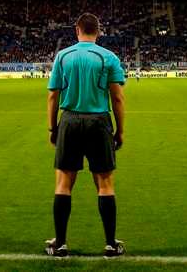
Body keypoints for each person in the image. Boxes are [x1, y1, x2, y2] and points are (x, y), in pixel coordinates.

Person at [45, 13, 126, 258]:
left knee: (63, 183)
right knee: (105, 184)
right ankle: (111, 244)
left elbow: (53, 96)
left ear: (76, 30)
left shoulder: (63, 56)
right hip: (99, 122)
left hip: (69, 121)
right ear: (98, 31)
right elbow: (118, 98)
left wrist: (53, 128)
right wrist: (120, 131)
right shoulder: (108, 57)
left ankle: (60, 244)